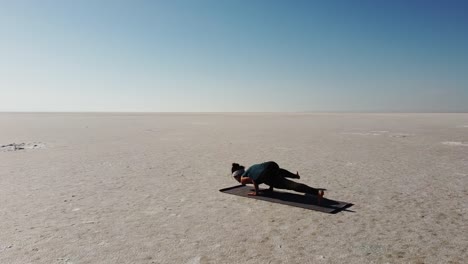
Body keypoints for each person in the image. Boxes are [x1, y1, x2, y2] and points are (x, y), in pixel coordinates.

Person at [231, 161, 325, 199]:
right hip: (271, 164)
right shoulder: (251, 169)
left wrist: (256, 192)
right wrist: (270, 187)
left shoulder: (243, 179)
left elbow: (253, 179)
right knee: (278, 173)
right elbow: (260, 175)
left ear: (237, 176)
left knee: (290, 185)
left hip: (265, 174)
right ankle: (295, 176)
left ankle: (317, 193)